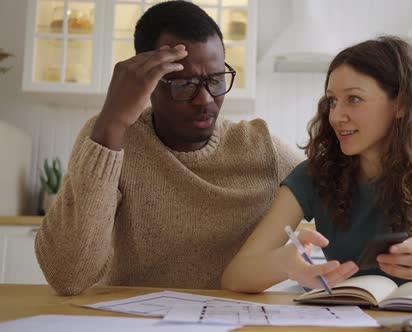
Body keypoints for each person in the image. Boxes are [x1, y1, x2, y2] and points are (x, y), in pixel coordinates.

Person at [35, 1, 302, 296]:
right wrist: (111, 120)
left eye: (214, 80)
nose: (204, 99)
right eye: (183, 84)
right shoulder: (111, 137)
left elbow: (340, 188)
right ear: (147, 79)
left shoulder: (263, 148)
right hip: (130, 322)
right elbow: (67, 276)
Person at [222, 36, 412, 297]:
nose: (336, 116)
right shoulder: (313, 175)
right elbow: (235, 276)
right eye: (332, 100)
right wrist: (286, 263)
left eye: (353, 99)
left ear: (401, 104)